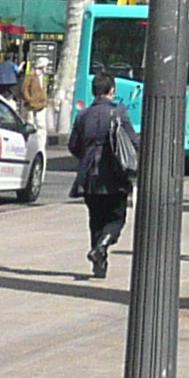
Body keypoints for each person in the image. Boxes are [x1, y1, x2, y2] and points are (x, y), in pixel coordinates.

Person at [70, 86, 139, 280]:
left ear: (93, 91)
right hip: (115, 174)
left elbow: (73, 145)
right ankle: (102, 246)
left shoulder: (83, 115)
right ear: (112, 90)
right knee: (117, 217)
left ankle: (99, 261)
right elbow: (132, 141)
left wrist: (86, 156)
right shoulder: (119, 112)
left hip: (89, 174)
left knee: (96, 218)